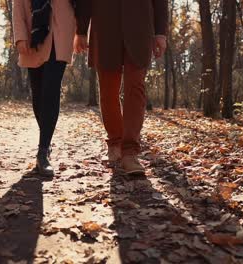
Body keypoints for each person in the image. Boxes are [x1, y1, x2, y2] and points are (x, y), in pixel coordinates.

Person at [74, 0, 168, 175]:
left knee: (135, 87)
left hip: (140, 25)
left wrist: (161, 32)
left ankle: (130, 152)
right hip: (105, 24)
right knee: (108, 89)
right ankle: (115, 142)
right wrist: (80, 30)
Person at [12, 0, 76, 176]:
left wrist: (83, 32)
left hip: (61, 31)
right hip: (34, 32)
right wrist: (20, 36)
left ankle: (43, 151)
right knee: (39, 95)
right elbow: (17, 6)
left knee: (51, 90)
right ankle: (46, 143)